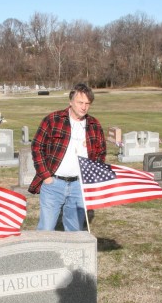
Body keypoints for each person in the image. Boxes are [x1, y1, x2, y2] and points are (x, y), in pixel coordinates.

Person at [28, 83, 107, 231]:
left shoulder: (94, 125)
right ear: (70, 102)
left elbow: (100, 154)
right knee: (46, 228)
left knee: (75, 229)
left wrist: (90, 180)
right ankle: (43, 253)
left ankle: (72, 254)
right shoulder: (53, 119)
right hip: (54, 183)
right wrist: (46, 177)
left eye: (87, 103)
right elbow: (37, 147)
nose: (83, 107)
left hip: (79, 185)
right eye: (80, 102)